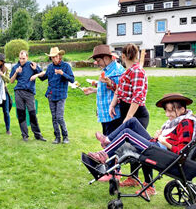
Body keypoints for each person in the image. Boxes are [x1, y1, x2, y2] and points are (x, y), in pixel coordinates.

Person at [88, 93, 196, 196]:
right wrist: (159, 136)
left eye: (170, 111)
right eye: (166, 111)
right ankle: (108, 139)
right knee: (133, 122)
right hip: (158, 146)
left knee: (127, 134)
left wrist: (164, 142)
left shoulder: (186, 123)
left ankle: (104, 154)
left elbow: (182, 152)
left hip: (162, 154)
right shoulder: (178, 121)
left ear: (182, 109)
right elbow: (173, 138)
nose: (167, 114)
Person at [107, 43, 151, 187]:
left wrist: (128, 118)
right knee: (132, 148)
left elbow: (137, 97)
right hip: (128, 113)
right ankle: (133, 178)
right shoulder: (128, 71)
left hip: (137, 115)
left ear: (123, 56)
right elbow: (119, 90)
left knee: (142, 148)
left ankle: (149, 184)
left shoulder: (137, 71)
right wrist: (113, 104)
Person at [31, 47, 74, 144]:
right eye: (53, 57)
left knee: (59, 117)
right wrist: (36, 70)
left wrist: (62, 73)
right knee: (54, 117)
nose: (55, 59)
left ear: (60, 56)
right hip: (51, 95)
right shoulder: (50, 67)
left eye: (56, 56)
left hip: (61, 95)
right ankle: (57, 137)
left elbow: (72, 79)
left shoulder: (66, 66)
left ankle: (65, 136)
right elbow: (43, 78)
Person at [84, 45, 125, 136]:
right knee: (106, 143)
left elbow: (121, 91)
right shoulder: (108, 69)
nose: (97, 63)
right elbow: (107, 89)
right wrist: (93, 90)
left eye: (98, 61)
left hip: (113, 116)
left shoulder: (117, 71)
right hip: (105, 114)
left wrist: (110, 83)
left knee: (112, 145)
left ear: (106, 58)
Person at [10, 50, 46, 142]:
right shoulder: (15, 67)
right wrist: (16, 73)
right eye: (20, 58)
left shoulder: (32, 65)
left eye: (23, 58)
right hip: (18, 92)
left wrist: (36, 73)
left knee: (32, 114)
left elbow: (43, 75)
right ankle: (25, 135)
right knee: (21, 114)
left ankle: (38, 135)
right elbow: (11, 81)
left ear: (27, 57)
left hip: (29, 93)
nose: (21, 60)